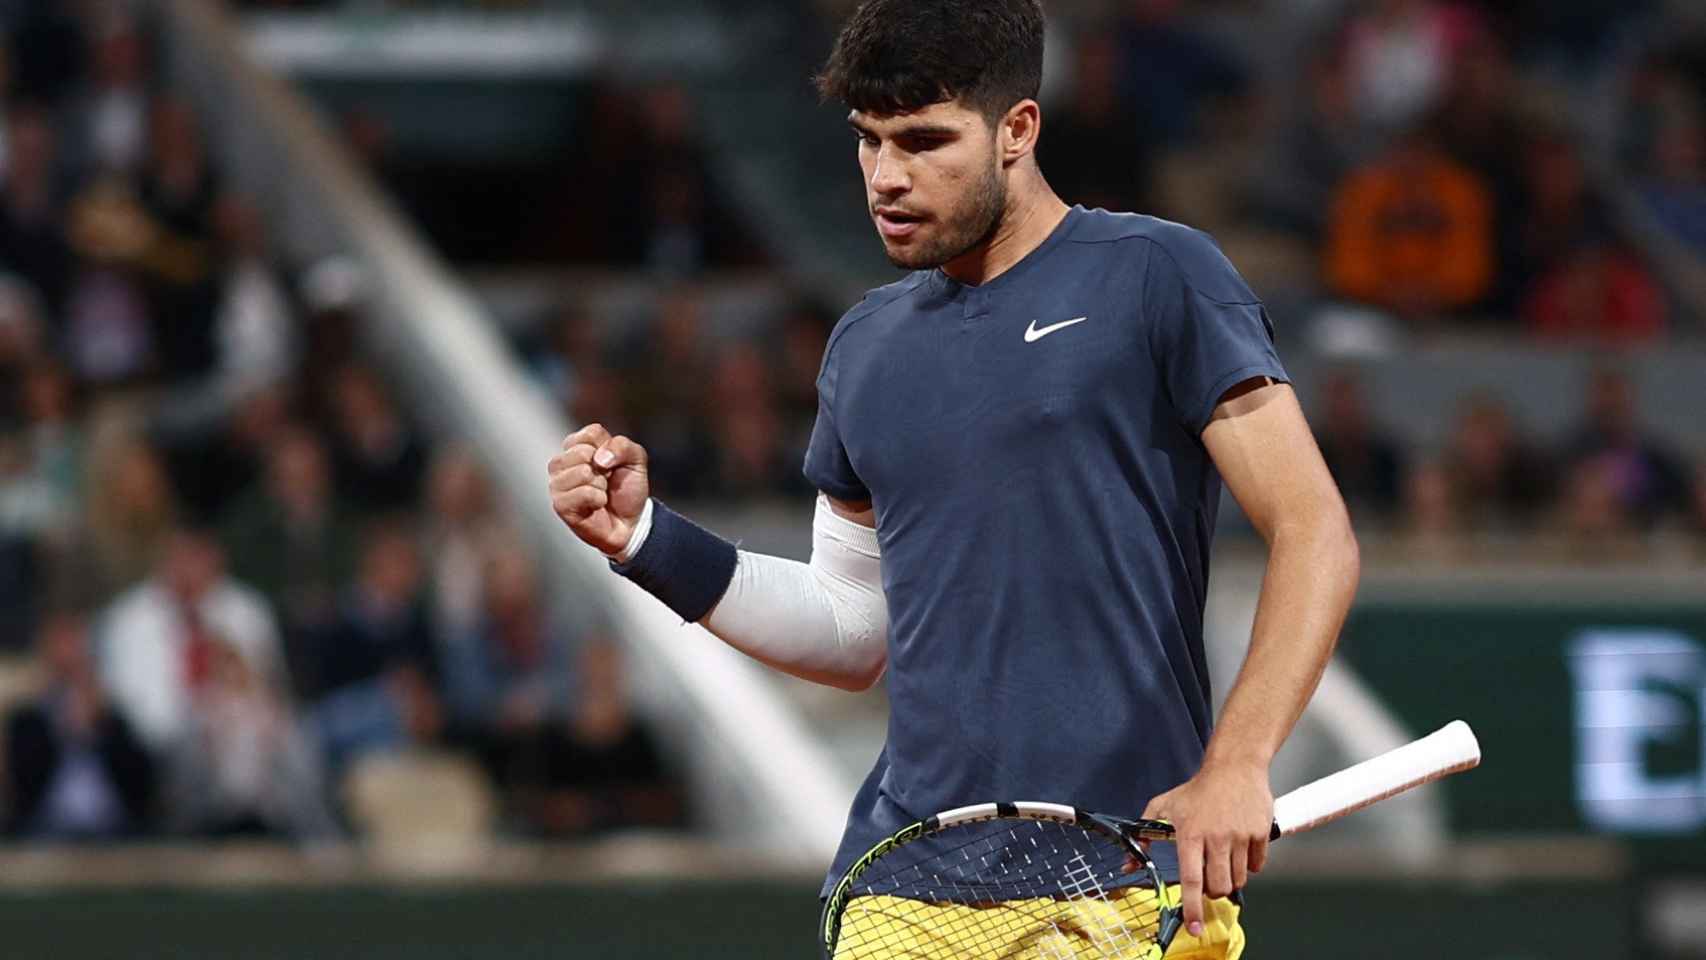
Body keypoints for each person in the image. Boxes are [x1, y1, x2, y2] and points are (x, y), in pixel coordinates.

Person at [547, 1, 1359, 955]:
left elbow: (1314, 530)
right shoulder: (864, 345)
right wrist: (648, 541)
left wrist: (1238, 763)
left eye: (925, 142)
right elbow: (854, 629)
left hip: (1130, 879)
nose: (886, 178)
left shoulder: (1160, 276)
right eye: (869, 142)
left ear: (1018, 128)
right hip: (905, 887)